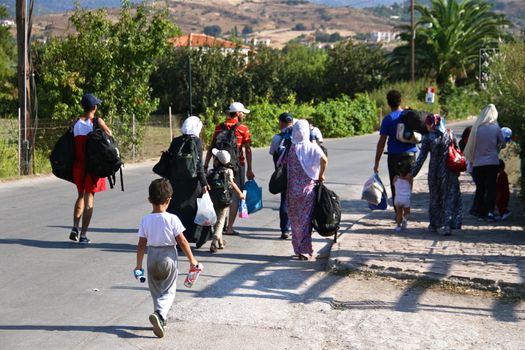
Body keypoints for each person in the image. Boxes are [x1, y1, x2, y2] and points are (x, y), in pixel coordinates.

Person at [134, 178, 199, 338]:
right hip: (169, 257)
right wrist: (192, 261)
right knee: (169, 291)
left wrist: (138, 265)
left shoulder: (145, 220)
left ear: (149, 200)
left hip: (152, 258)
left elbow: (141, 244)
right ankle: (161, 314)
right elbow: (182, 241)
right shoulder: (172, 219)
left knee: (156, 291)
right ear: (169, 199)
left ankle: (160, 317)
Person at [204, 102, 255, 236]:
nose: (243, 115)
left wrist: (205, 164)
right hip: (237, 165)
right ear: (237, 113)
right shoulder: (243, 128)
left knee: (219, 192)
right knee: (234, 196)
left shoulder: (219, 127)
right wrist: (250, 169)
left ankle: (219, 224)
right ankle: (229, 227)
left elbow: (211, 147)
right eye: (242, 112)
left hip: (219, 164)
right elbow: (248, 150)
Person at [69, 93, 112, 244]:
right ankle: (83, 234)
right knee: (90, 200)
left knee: (80, 195)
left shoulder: (75, 123)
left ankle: (75, 227)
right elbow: (109, 135)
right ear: (94, 107)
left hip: (78, 166)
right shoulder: (96, 121)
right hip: (92, 168)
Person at [411, 114, 462, 236]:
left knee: (435, 198)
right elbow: (458, 151)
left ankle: (435, 224)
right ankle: (449, 224)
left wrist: (412, 173)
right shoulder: (450, 134)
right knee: (448, 198)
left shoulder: (428, 137)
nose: (427, 126)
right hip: (449, 171)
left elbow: (421, 158)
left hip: (434, 172)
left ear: (431, 124)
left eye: (427, 124)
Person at [285, 120, 328, 260]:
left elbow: (281, 163)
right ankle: (305, 249)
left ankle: (298, 248)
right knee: (306, 221)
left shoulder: (291, 148)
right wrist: (320, 175)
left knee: (295, 221)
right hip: (308, 191)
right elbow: (324, 160)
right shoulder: (312, 147)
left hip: (292, 192)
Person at [166, 116, 210, 248]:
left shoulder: (176, 141)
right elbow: (198, 164)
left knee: (176, 210)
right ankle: (195, 237)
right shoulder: (196, 141)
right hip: (192, 182)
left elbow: (170, 161)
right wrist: (204, 183)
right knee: (192, 209)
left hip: (176, 182)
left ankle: (177, 239)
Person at [374, 90, 417, 210]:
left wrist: (376, 162)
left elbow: (381, 143)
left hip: (394, 156)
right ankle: (406, 213)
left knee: (395, 186)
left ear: (388, 103)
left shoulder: (388, 119)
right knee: (408, 185)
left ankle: (398, 214)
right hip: (411, 154)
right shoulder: (409, 115)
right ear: (400, 100)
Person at [463, 104, 505, 221]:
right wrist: (496, 147)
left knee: (480, 188)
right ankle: (490, 212)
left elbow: (472, 146)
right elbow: (503, 143)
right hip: (492, 163)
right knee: (491, 188)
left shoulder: (476, 129)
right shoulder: (495, 128)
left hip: (478, 164)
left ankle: (480, 212)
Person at [208, 149, 245, 253]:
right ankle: (215, 240)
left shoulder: (211, 172)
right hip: (224, 199)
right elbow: (232, 184)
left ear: (217, 161)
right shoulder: (229, 171)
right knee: (220, 220)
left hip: (212, 199)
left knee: (217, 220)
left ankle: (220, 242)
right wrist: (240, 194)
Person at [269, 112, 294, 239]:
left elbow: (273, 153)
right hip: (297, 174)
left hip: (282, 175)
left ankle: (285, 229)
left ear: (282, 122)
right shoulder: (298, 136)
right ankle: (298, 228)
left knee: (284, 200)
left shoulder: (277, 138)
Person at [393, 164, 412, 233]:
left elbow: (393, 184)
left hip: (397, 199)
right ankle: (404, 220)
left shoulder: (395, 178)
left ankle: (398, 226)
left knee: (398, 213)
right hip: (406, 199)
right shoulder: (410, 178)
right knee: (407, 212)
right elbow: (411, 187)